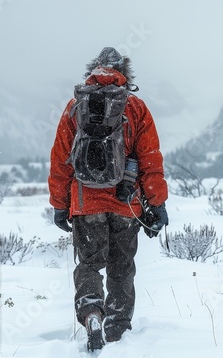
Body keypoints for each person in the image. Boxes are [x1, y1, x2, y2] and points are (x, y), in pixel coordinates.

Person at [48, 47, 168, 350]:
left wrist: (60, 205)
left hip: (86, 203)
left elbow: (61, 160)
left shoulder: (75, 107)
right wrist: (157, 203)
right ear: (124, 74)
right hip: (126, 204)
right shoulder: (135, 107)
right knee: (122, 267)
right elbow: (150, 160)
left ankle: (91, 312)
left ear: (93, 70)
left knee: (89, 264)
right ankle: (116, 330)